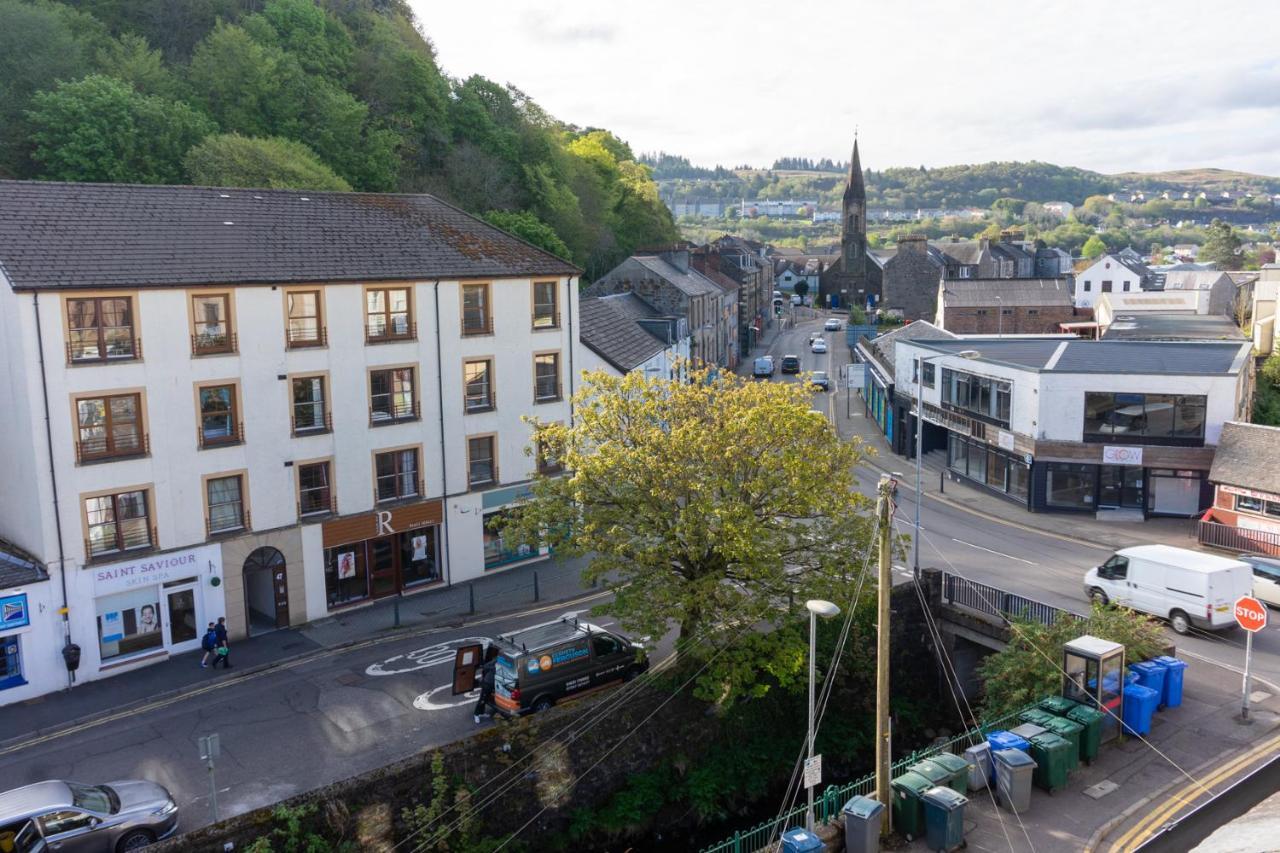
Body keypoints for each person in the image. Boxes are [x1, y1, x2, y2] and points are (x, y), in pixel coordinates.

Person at [473, 646, 498, 724]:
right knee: (482, 699)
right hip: (488, 683)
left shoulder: (502, 662)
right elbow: (486, 666)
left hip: (493, 684)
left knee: (486, 698)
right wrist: (493, 668)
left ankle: (481, 713)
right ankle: (476, 714)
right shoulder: (496, 661)